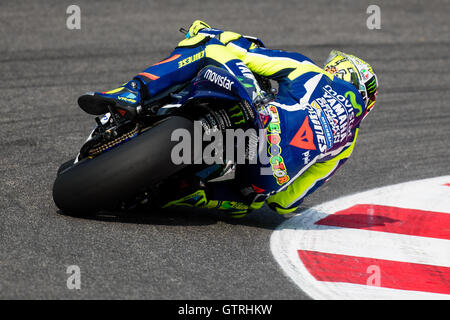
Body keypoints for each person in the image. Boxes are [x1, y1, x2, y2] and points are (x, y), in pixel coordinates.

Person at [78, 20, 378, 218]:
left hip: (264, 118)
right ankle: (191, 191)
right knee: (244, 203)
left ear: (340, 70)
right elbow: (285, 204)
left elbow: (247, 57)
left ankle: (133, 92)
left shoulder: (311, 72)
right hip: (264, 179)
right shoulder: (348, 142)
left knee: (209, 48)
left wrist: (209, 34)